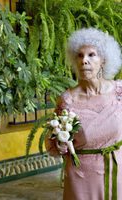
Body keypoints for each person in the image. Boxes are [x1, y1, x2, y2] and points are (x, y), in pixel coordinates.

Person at [45, 27, 122, 200]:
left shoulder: (119, 92)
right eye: (79, 56)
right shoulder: (67, 100)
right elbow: (51, 142)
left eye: (91, 55)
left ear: (103, 60)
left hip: (117, 170)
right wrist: (60, 144)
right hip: (81, 177)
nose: (84, 61)